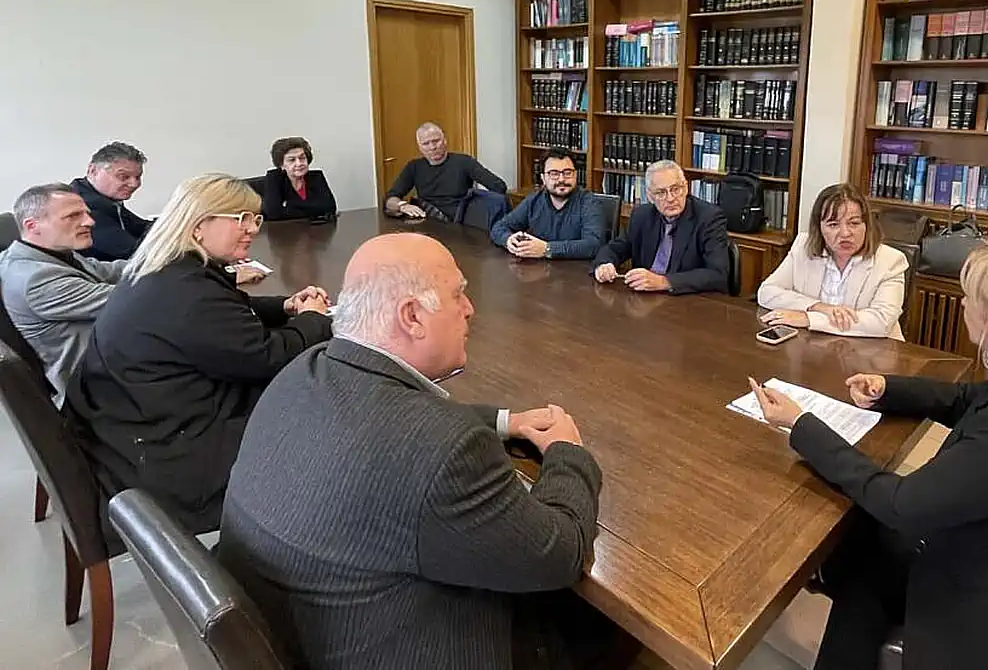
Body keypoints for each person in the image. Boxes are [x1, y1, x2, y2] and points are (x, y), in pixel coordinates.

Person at [217, 232, 613, 670]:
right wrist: (566, 452)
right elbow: (559, 554)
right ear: (411, 316)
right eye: (458, 294)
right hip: (405, 648)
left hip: (308, 635)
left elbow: (385, 420)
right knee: (607, 630)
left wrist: (507, 422)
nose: (470, 309)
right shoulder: (446, 451)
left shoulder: (304, 372)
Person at [748, 239, 988, 670]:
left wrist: (801, 425)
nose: (963, 303)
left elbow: (903, 504)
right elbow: (970, 399)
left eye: (970, 297)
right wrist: (889, 389)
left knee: (873, 538)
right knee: (867, 557)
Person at [65, 173, 334, 532]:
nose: (252, 229)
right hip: (171, 451)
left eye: (255, 219)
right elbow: (267, 357)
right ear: (197, 226)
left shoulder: (169, 270)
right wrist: (314, 320)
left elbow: (224, 312)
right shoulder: (187, 291)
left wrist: (284, 306)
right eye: (241, 219)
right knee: (320, 406)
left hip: (131, 422)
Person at [0, 184, 125, 405]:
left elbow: (109, 270)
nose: (90, 221)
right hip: (97, 386)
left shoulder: (48, 253)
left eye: (86, 213)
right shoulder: (36, 280)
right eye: (73, 216)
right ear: (32, 226)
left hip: (110, 356)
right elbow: (129, 301)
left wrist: (162, 260)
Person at [756, 183, 908, 339]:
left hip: (873, 350)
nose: (845, 233)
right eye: (833, 224)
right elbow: (767, 292)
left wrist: (809, 318)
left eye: (854, 223)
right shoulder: (803, 246)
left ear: (867, 225)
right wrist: (819, 307)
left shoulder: (891, 261)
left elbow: (881, 322)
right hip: (815, 345)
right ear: (819, 228)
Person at [591, 160, 729, 294]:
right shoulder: (642, 216)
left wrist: (664, 282)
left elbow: (717, 274)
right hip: (643, 297)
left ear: (686, 188)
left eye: (675, 189)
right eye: (661, 192)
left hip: (687, 300)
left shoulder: (708, 218)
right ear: (650, 196)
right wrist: (604, 265)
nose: (670, 198)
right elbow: (615, 248)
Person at [490, 148, 606, 260]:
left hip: (577, 271)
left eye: (567, 173)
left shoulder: (589, 203)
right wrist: (508, 240)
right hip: (538, 270)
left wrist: (547, 249)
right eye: (554, 174)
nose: (561, 179)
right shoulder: (534, 200)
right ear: (543, 178)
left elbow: (594, 245)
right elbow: (499, 227)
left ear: (576, 175)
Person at [384, 122, 507, 223]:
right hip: (428, 220)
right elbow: (390, 199)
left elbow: (499, 186)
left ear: (445, 141)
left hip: (460, 222)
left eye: (436, 141)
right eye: (426, 143)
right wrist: (402, 206)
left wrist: (478, 203)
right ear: (420, 147)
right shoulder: (414, 166)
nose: (432, 147)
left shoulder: (464, 162)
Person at [70, 141, 153, 261]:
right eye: (124, 177)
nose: (134, 184)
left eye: (138, 177)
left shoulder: (105, 199)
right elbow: (134, 253)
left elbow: (141, 227)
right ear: (93, 171)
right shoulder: (82, 205)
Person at [262, 136, 338, 221]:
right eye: (292, 160)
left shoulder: (316, 177)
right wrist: (313, 209)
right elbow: (273, 213)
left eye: (302, 158)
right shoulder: (274, 178)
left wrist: (289, 207)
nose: (299, 163)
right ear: (281, 164)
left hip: (316, 228)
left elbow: (330, 207)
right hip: (285, 229)